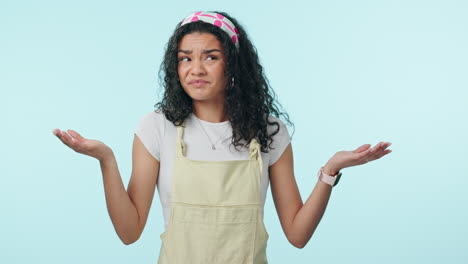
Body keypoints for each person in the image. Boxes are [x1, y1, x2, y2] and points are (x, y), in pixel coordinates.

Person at [52, 10, 392, 263]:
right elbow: (129, 233)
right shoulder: (156, 127)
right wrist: (106, 160)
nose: (195, 69)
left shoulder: (269, 132)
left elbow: (297, 234)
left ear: (233, 65)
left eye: (210, 57)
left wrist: (330, 170)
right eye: (185, 59)